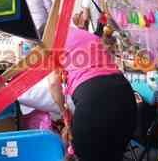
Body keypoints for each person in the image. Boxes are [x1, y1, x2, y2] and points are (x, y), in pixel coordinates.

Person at [49, 12, 136, 160]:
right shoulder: (86, 35)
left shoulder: (52, 43)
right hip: (125, 95)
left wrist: (65, 115)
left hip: (92, 101)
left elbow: (53, 84)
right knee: (114, 154)